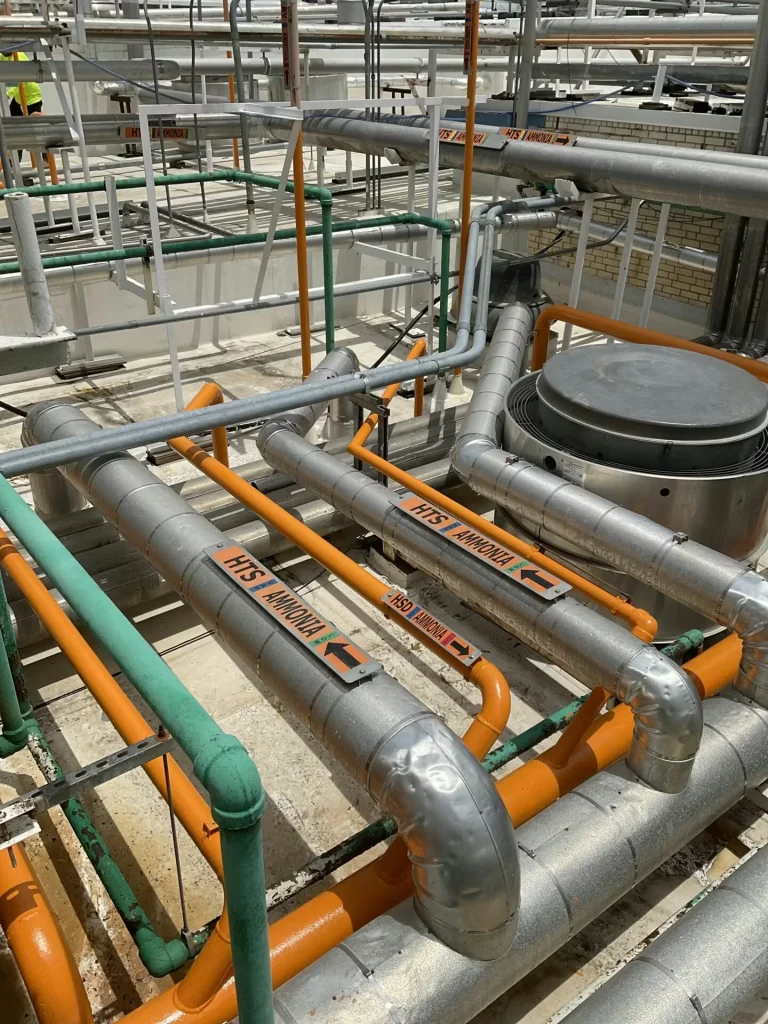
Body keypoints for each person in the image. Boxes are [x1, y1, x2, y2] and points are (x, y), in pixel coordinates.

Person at [0, 50, 43, 117]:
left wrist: (8, 94)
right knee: (12, 119)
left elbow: (22, 81)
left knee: (33, 120)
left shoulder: (19, 57)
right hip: (18, 97)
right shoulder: (4, 55)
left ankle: (50, 121)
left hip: (31, 98)